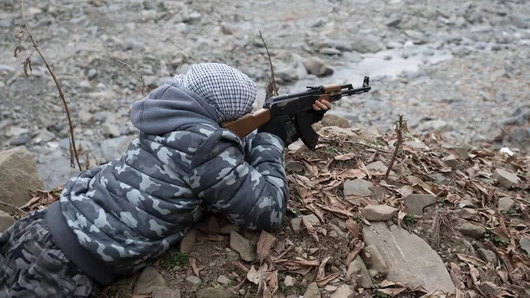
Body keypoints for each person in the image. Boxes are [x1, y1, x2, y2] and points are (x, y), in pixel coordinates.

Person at [0, 63, 332, 297]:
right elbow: (269, 210)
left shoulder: (167, 118)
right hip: (59, 267)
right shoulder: (208, 147)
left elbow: (219, 160)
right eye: (245, 114)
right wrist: (271, 138)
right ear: (226, 118)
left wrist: (288, 125)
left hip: (38, 228)